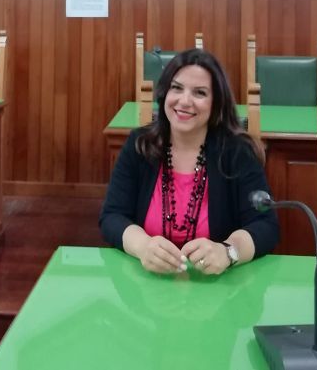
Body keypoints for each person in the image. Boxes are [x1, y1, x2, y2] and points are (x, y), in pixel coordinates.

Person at [99, 48, 279, 275]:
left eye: (199, 93)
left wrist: (228, 252)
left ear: (216, 103)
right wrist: (142, 246)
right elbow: (112, 216)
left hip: (217, 287)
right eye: (176, 88)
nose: (184, 101)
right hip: (147, 284)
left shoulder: (237, 152)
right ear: (165, 93)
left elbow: (265, 225)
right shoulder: (140, 144)